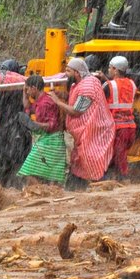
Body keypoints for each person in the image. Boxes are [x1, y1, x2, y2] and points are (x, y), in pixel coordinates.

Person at [51, 58, 115, 190]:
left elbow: (76, 110)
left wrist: (57, 101)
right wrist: (61, 94)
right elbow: (74, 98)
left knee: (91, 159)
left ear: (77, 73)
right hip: (85, 133)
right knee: (79, 161)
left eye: (68, 71)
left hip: (95, 131)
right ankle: (73, 187)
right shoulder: (79, 84)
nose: (66, 73)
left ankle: (103, 186)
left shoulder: (88, 86)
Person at [0, 59, 32, 187]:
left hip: (2, 129)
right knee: (17, 165)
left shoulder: (0, 88)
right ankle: (15, 188)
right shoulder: (23, 87)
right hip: (18, 130)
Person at [17, 74, 67, 185]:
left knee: (28, 171)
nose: (27, 92)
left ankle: (41, 192)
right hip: (50, 140)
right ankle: (46, 193)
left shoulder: (45, 103)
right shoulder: (40, 100)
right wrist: (24, 92)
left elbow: (52, 125)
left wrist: (33, 124)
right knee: (50, 176)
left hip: (51, 141)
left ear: (34, 88)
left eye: (28, 89)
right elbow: (27, 106)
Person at [103, 56, 137, 180]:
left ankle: (122, 180)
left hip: (117, 128)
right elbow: (120, 91)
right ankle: (116, 178)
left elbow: (99, 97)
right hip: (130, 127)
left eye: (110, 68)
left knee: (116, 157)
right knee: (120, 155)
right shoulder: (132, 84)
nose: (108, 70)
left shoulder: (108, 85)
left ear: (116, 70)